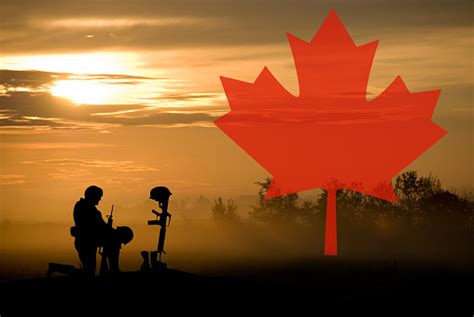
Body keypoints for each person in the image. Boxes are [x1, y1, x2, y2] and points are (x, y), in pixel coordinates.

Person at [71, 185, 133, 276]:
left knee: (89, 271)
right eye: (98, 197)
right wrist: (114, 232)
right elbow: (99, 227)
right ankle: (113, 270)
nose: (99, 200)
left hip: (86, 242)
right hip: (86, 242)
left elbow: (100, 227)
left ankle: (113, 269)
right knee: (89, 272)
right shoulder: (89, 209)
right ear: (93, 196)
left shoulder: (82, 206)